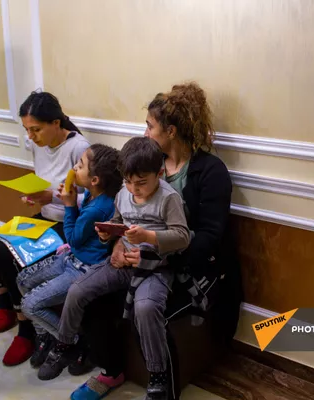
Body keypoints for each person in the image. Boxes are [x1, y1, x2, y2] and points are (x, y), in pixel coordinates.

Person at [71, 82, 242, 400]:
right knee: (94, 295)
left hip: (186, 265)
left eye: (150, 126)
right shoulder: (149, 163)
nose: (145, 132)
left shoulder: (210, 171)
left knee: (148, 307)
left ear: (171, 131)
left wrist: (155, 256)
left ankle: (160, 383)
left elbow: (209, 238)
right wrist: (118, 244)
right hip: (139, 257)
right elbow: (125, 215)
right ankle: (110, 371)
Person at [41, 136, 191, 399]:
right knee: (78, 289)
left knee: (146, 308)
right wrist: (108, 235)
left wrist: (149, 237)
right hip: (122, 264)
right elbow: (118, 221)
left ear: (159, 174)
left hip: (155, 269)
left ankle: (157, 375)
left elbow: (182, 236)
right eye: (129, 182)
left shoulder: (169, 199)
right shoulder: (123, 193)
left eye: (141, 183)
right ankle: (64, 343)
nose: (134, 189)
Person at [0, 91, 90, 367]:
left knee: (5, 255)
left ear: (56, 123)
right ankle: (6, 307)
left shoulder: (79, 148)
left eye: (36, 129)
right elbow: (45, 184)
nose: (30, 136)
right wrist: (35, 195)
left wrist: (52, 197)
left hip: (67, 224)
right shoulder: (39, 145)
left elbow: (91, 201)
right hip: (44, 216)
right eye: (26, 130)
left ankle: (26, 329)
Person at [16, 143, 122, 379]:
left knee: (30, 305)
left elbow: (73, 238)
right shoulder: (94, 195)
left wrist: (69, 205)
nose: (75, 167)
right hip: (72, 257)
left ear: (94, 180)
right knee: (22, 280)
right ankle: (45, 334)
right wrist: (70, 197)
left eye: (80, 165)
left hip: (83, 268)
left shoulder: (98, 208)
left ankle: (72, 341)